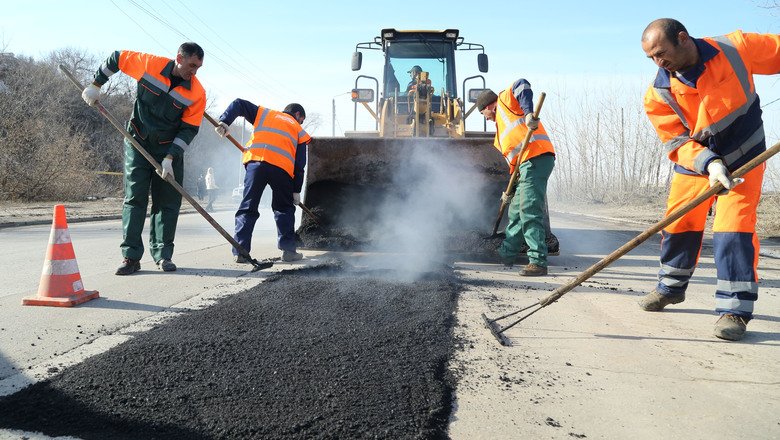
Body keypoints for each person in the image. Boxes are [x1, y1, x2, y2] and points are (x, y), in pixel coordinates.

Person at [638, 18, 780, 341]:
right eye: (651, 58)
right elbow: (675, 142)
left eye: (661, 53)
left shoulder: (735, 49)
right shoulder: (658, 93)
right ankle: (671, 286)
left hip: (745, 159)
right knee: (679, 222)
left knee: (733, 229)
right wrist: (709, 163)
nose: (658, 62)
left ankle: (734, 310)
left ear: (682, 38)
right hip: (698, 163)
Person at [82, 42, 206, 275]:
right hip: (137, 141)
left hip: (168, 151)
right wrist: (96, 84)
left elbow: (189, 129)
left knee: (168, 203)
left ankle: (163, 256)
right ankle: (131, 257)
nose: (194, 72)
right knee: (134, 198)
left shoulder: (197, 93)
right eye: (192, 65)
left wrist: (170, 157)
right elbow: (117, 57)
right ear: (179, 58)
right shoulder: (150, 65)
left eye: (198, 67)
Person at [214, 100, 311, 263]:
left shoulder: (265, 114)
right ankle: (289, 251)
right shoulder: (299, 130)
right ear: (297, 114)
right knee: (284, 209)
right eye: (301, 120)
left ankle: (241, 251)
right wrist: (296, 190)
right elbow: (299, 165)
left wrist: (225, 121)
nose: (300, 123)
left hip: (256, 165)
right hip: (282, 170)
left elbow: (239, 104)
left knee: (248, 207)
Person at [476, 81, 555, 276]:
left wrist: (528, 114)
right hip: (524, 168)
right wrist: (510, 191)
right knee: (515, 212)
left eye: (483, 114)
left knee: (529, 210)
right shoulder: (499, 135)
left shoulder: (505, 101)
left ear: (488, 106)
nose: (485, 118)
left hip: (536, 158)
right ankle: (507, 254)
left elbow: (522, 85)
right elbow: (514, 163)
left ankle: (538, 261)